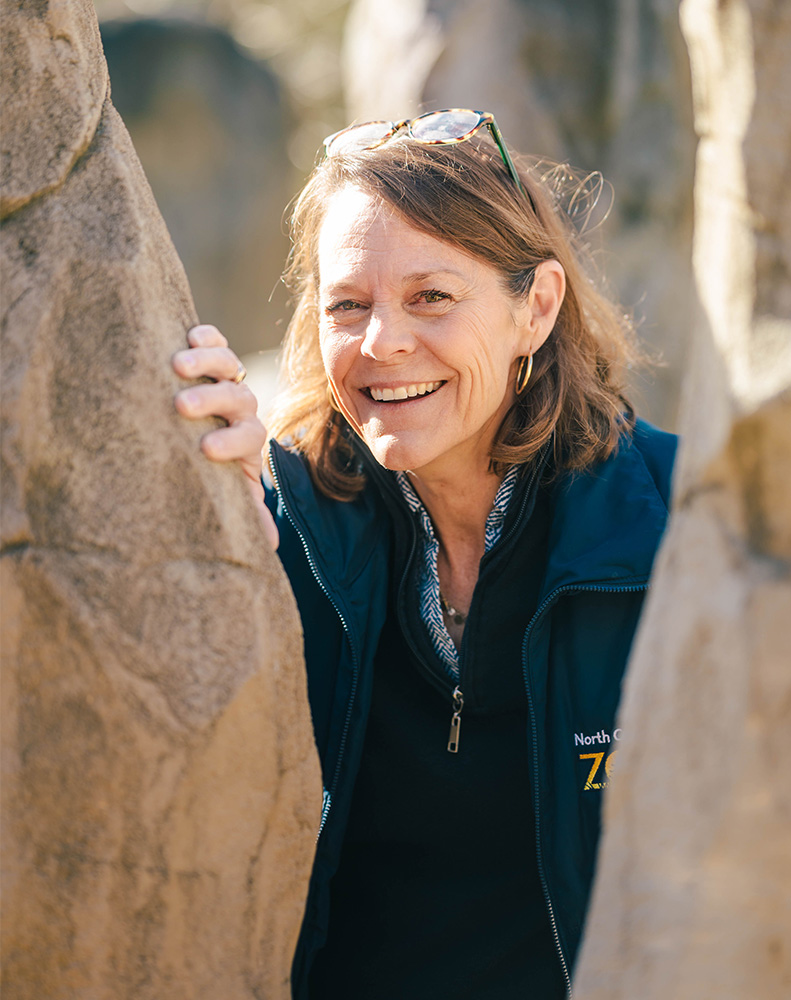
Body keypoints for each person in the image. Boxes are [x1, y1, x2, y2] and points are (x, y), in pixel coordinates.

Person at [172, 109, 678, 1000]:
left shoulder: (679, 525)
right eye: (348, 304)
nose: (382, 343)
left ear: (537, 308)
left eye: (432, 297)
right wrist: (208, 519)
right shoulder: (287, 520)